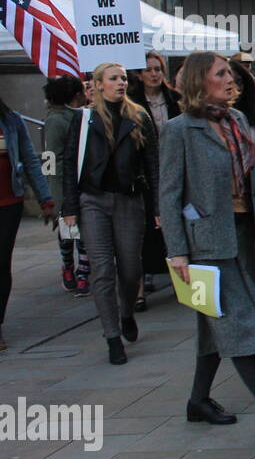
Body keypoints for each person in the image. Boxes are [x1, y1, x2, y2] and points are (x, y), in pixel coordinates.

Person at [158, 51, 255, 433]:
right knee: (237, 322)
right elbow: (169, 195)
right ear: (200, 81)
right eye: (221, 73)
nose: (231, 79)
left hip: (243, 234)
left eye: (231, 73)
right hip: (205, 244)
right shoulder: (178, 130)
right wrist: (177, 252)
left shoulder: (238, 120)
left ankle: (197, 401)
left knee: (215, 324)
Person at [62, 63, 160, 365]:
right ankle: (112, 336)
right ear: (98, 84)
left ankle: (127, 311)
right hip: (93, 201)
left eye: (124, 79)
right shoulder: (83, 119)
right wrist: (69, 207)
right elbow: (69, 165)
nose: (121, 83)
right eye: (114, 79)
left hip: (129, 201)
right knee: (102, 270)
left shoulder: (138, 116)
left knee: (131, 270)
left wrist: (158, 206)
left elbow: (153, 165)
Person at [0, 95, 56, 350]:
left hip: (8, 203)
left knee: (2, 264)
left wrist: (46, 200)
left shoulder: (11, 120)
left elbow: (31, 160)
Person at [129, 51, 182, 307]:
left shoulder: (175, 99)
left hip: (175, 169)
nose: (153, 74)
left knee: (175, 228)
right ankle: (138, 289)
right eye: (148, 69)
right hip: (146, 174)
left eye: (157, 69)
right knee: (145, 232)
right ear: (139, 74)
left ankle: (180, 280)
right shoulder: (132, 104)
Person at [43, 76, 90, 296]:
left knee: (83, 231)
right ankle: (68, 266)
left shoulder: (80, 116)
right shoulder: (56, 120)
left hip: (82, 180)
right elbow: (51, 158)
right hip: (64, 183)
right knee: (68, 230)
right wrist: (52, 191)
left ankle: (83, 270)